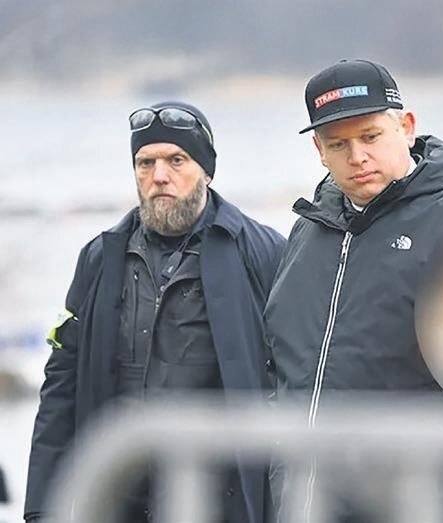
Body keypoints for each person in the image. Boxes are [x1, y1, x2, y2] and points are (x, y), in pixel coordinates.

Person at [263, 59, 443, 521]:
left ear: (406, 127)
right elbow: (284, 369)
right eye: (338, 144)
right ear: (319, 150)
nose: (357, 156)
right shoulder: (308, 233)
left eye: (370, 136)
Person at [24, 101, 285, 522]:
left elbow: (294, 379)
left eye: (176, 160)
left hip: (219, 497)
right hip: (118, 491)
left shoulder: (261, 252)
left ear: (206, 170)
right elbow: (61, 385)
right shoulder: (100, 258)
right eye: (145, 163)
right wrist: (40, 509)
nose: (159, 176)